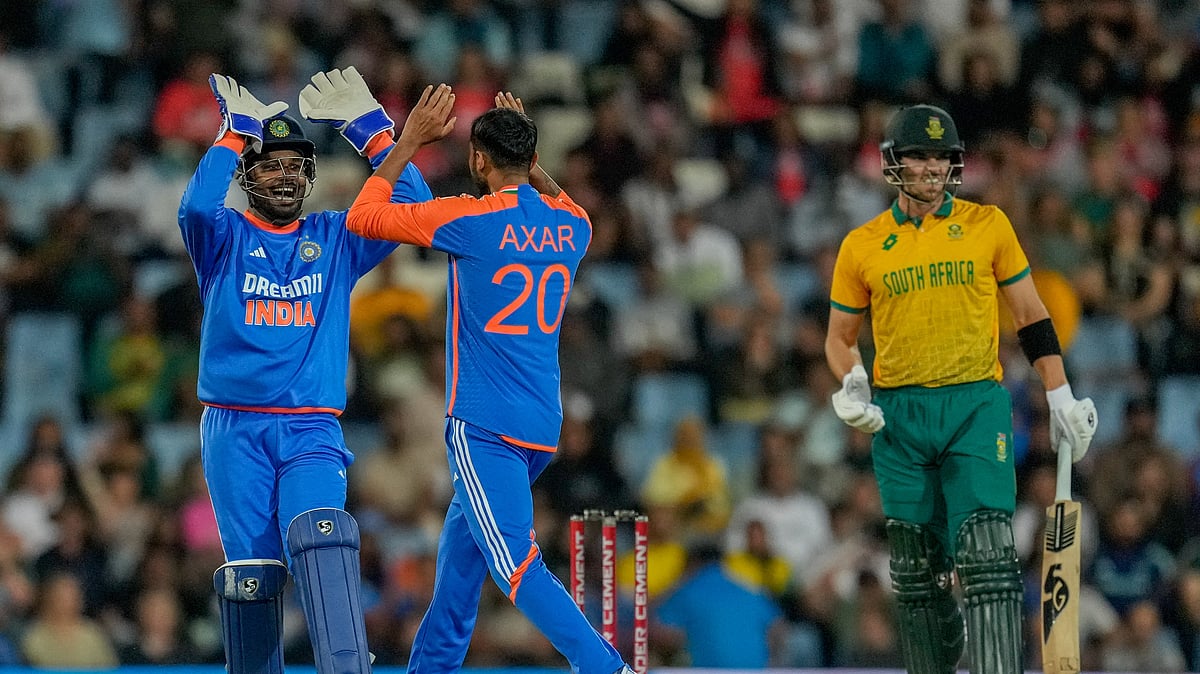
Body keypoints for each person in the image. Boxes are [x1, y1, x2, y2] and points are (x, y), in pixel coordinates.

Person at [345, 86, 634, 674]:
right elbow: (563, 202)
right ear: (530, 159)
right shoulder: (571, 226)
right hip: (539, 426)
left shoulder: (471, 219)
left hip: (484, 425)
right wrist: (529, 160)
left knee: (513, 563)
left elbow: (362, 217)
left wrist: (402, 141)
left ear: (478, 161)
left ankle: (604, 667)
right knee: (459, 564)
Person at [823, 103, 1099, 674]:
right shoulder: (862, 245)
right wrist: (852, 379)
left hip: (975, 403)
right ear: (893, 163)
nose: (929, 168)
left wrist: (1059, 393)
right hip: (899, 414)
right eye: (918, 156)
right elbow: (839, 338)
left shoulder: (988, 225)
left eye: (940, 157)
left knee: (988, 552)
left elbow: (1030, 314)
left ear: (955, 165)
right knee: (916, 574)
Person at [178, 67, 433, 674]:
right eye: (270, 164)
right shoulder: (224, 238)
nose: (285, 176)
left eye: (296, 166)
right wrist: (234, 135)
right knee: (252, 582)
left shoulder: (337, 236)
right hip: (233, 431)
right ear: (248, 175)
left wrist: (371, 129)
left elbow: (418, 208)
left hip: (310, 429)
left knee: (322, 536)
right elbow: (195, 204)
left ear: (311, 177)